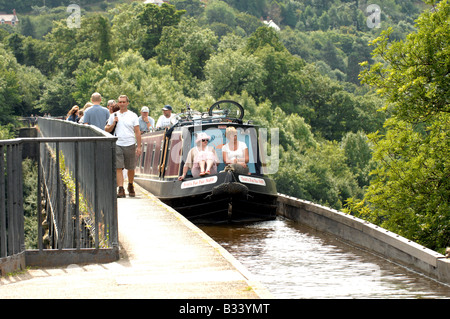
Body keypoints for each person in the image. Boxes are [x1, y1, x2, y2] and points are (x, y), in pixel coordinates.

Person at [105, 95, 142, 198]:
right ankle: (121, 189)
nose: (121, 104)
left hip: (130, 143)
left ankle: (130, 185)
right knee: (118, 167)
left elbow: (137, 132)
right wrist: (113, 123)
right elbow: (107, 129)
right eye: (120, 102)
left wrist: (139, 147)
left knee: (131, 168)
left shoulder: (133, 115)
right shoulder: (113, 115)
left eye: (123, 102)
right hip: (118, 143)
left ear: (127, 103)